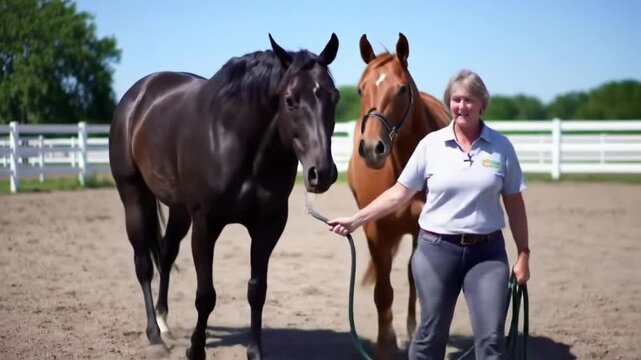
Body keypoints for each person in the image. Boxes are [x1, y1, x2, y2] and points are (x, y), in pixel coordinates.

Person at [328, 69, 530, 360]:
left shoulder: (501, 148)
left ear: (482, 104)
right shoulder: (431, 145)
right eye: (456, 99)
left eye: (469, 100)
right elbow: (399, 194)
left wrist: (523, 253)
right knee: (430, 337)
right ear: (449, 102)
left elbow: (515, 205)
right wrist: (355, 219)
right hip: (438, 251)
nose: (462, 106)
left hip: (487, 254)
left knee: (492, 341)